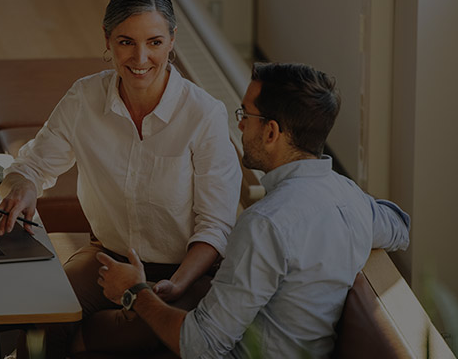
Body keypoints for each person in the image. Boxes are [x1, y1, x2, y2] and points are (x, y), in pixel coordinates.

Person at [0, 0, 241, 356]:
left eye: (154, 42)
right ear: (107, 40)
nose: (140, 58)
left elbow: (215, 226)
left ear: (172, 40)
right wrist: (24, 186)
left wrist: (174, 286)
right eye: (126, 42)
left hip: (184, 273)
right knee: (42, 316)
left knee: (122, 335)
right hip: (107, 258)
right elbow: (34, 164)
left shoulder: (204, 115)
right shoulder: (84, 98)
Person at [95, 63, 412, 358]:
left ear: (272, 132)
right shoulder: (349, 197)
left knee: (97, 333)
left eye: (246, 114)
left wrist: (134, 291)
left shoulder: (265, 223)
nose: (241, 124)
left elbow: (200, 346)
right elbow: (399, 226)